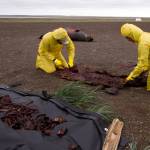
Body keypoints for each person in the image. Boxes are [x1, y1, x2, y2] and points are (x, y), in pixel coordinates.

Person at [121, 23, 150, 91]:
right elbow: (147, 62)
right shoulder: (146, 35)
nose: (128, 40)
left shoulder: (143, 43)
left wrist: (129, 78)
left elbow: (142, 65)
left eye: (128, 37)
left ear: (132, 35)